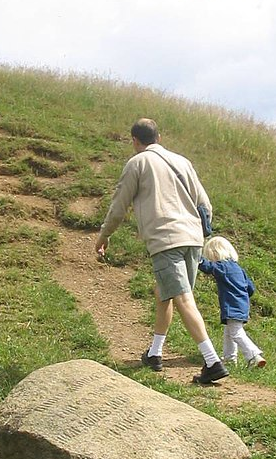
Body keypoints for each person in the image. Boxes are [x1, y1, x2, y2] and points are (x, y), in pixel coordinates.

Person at [94, 118, 229, 385]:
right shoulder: (183, 162)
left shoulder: (138, 163)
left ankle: (212, 361)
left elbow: (119, 205)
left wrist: (103, 236)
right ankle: (155, 352)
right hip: (193, 239)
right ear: (159, 136)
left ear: (135, 140)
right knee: (163, 292)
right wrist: (196, 232)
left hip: (166, 241)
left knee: (182, 299)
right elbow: (206, 205)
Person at [198, 236, 266, 368]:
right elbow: (251, 289)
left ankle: (253, 355)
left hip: (231, 305)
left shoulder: (222, 266)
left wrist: (197, 257)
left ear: (215, 254)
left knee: (236, 333)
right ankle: (229, 358)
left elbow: (207, 267)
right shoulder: (239, 269)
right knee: (229, 332)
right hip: (243, 305)